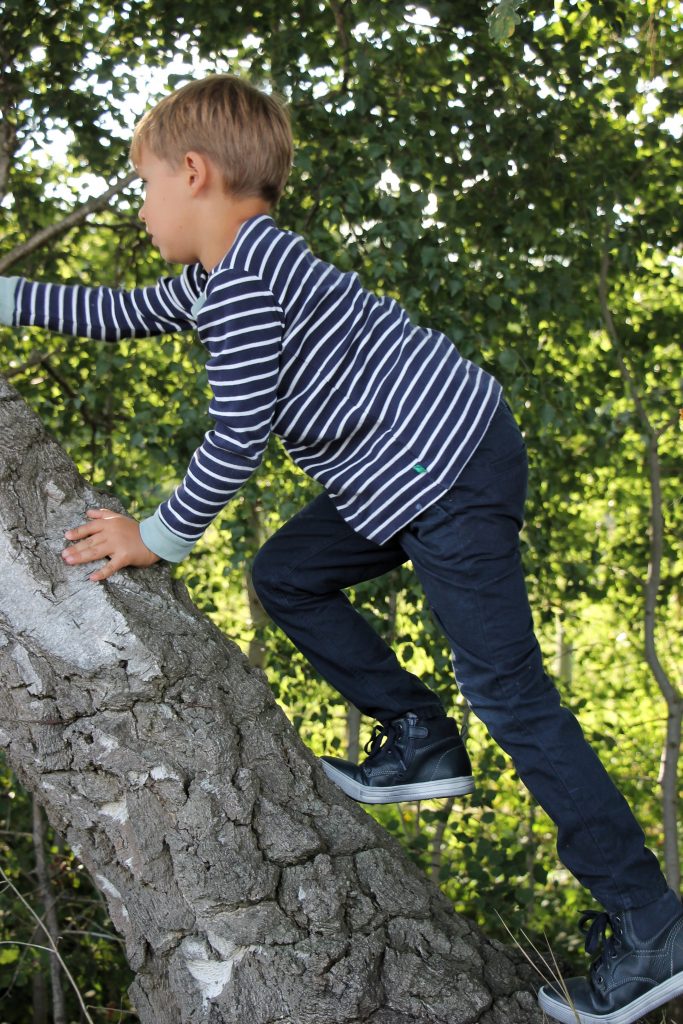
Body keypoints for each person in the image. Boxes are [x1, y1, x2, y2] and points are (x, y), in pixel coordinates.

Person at [0, 74, 681, 1024]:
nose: (144, 208)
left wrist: (155, 536)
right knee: (287, 575)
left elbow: (236, 434)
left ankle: (651, 924)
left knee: (511, 693)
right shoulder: (229, 272)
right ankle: (419, 737)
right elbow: (115, 315)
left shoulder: (244, 281)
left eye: (145, 185)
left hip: (444, 470)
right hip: (414, 472)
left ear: (193, 173)